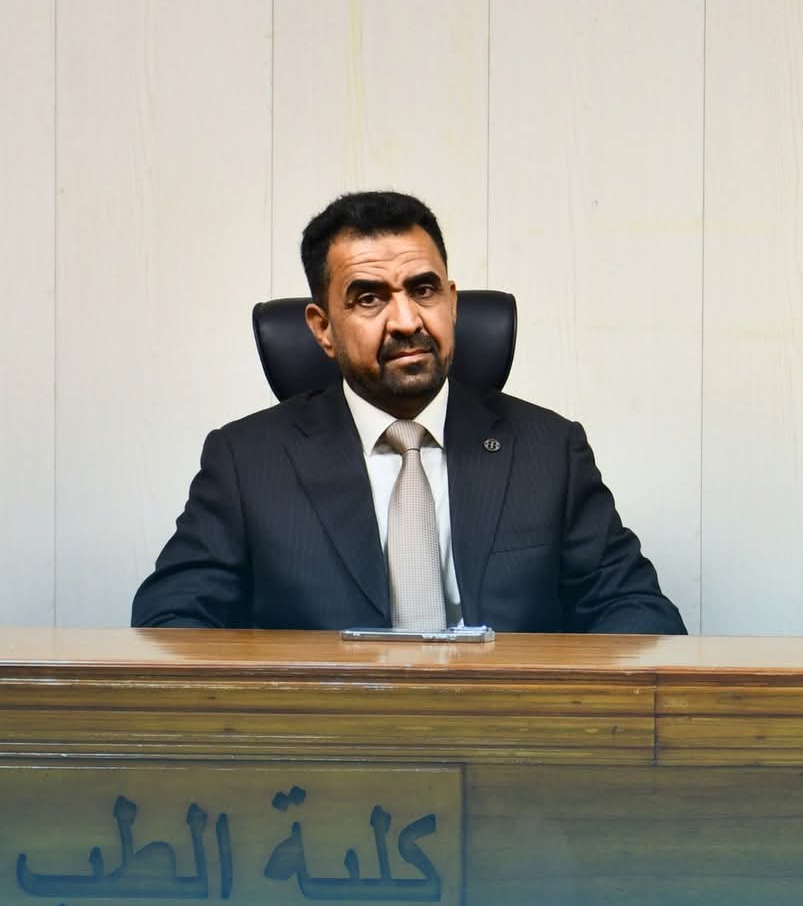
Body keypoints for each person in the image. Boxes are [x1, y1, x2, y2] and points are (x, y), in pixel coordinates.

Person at [132, 191, 686, 634]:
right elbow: (171, 620)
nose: (406, 321)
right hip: (323, 734)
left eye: (423, 290)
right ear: (322, 329)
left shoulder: (548, 450)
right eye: (369, 298)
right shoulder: (247, 460)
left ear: (452, 301)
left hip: (503, 730)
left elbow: (637, 612)